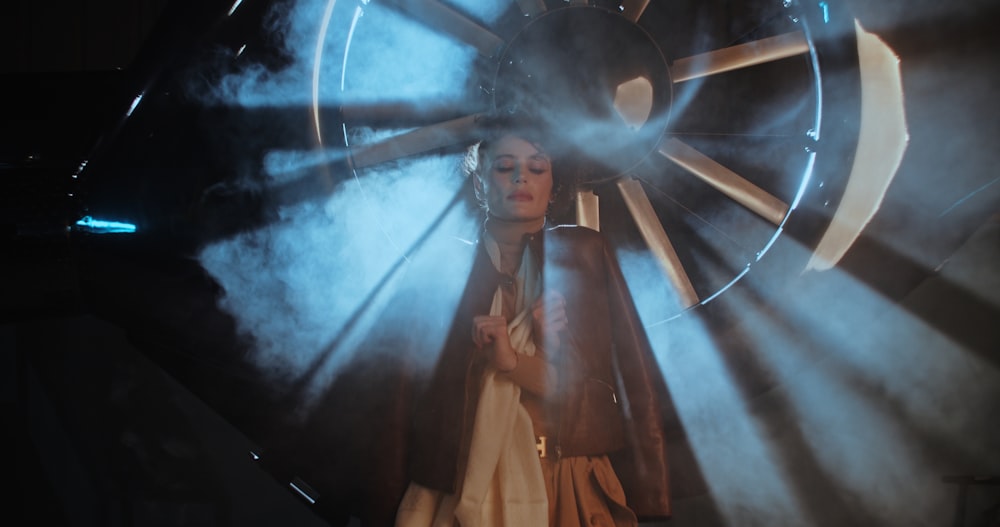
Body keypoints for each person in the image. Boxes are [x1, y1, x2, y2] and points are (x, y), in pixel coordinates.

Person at [394, 118, 671, 527]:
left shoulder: (586, 253)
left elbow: (635, 376)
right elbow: (407, 394)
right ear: (479, 182)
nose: (522, 177)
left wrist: (652, 495)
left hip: (570, 480)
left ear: (552, 183)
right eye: (505, 167)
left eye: (537, 168)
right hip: (462, 479)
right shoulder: (443, 268)